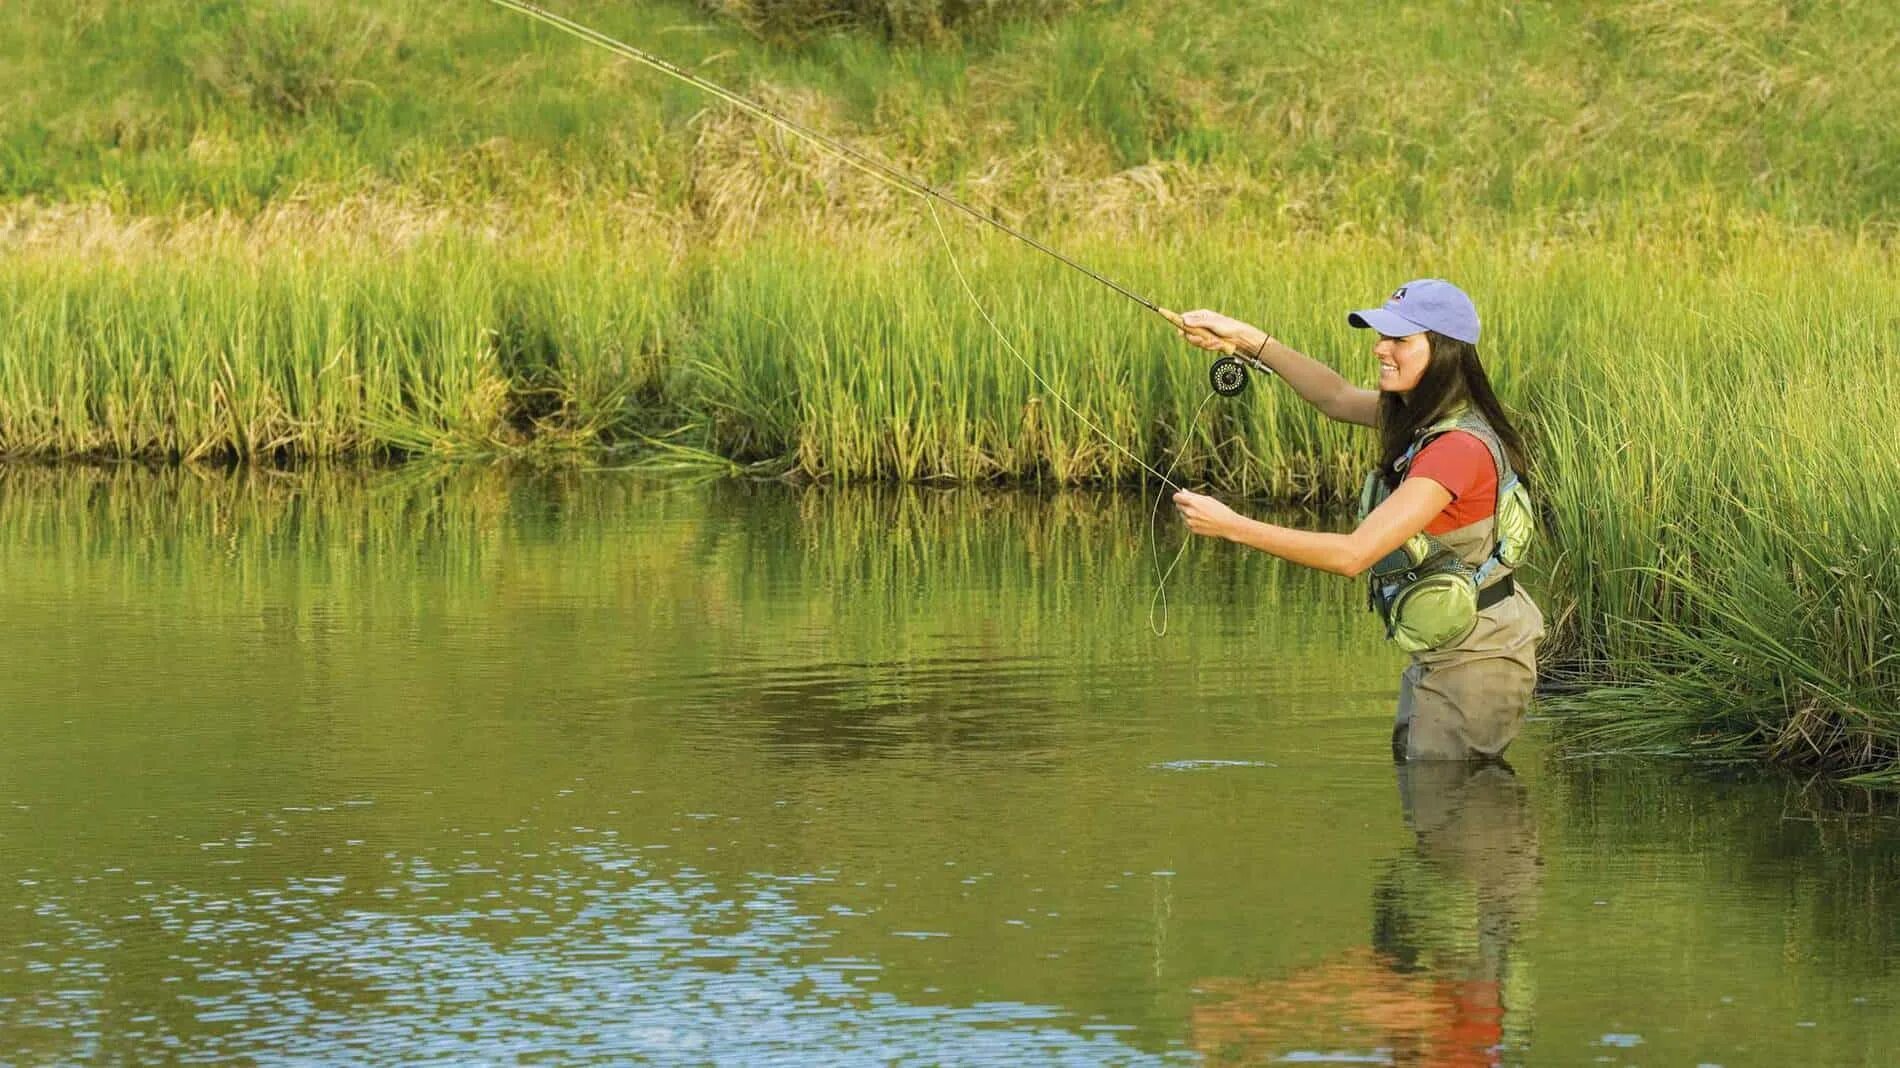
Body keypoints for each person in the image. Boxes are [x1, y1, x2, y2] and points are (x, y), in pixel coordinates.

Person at [1171, 280, 1545, 761]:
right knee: (1436, 808)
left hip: (1477, 661)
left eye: (1400, 340)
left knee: (1456, 811)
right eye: (1381, 335)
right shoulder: (1430, 421)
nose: (1380, 348)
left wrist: (1231, 526)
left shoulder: (1456, 450)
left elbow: (1352, 555)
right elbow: (1335, 396)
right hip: (1451, 651)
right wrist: (1242, 338)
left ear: (1446, 352)